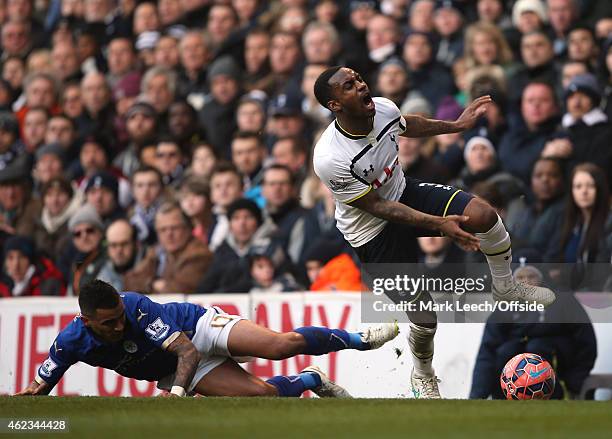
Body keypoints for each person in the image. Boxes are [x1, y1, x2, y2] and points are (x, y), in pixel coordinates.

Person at [312, 66, 556, 399]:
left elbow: (406, 123)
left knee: (483, 215)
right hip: (371, 230)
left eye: (358, 79)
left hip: (402, 192)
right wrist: (439, 223)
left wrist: (456, 126)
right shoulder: (330, 158)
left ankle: (505, 286)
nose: (361, 85)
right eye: (348, 86)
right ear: (334, 105)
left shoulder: (382, 107)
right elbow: (376, 207)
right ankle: (423, 374)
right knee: (425, 314)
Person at [15, 279, 398, 397]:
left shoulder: (135, 307)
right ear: (85, 321)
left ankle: (358, 338)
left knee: (281, 345)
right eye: (109, 324)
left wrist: (177, 397)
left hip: (197, 330)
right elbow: (38, 388)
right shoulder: (69, 342)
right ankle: (312, 380)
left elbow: (185, 349)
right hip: (174, 369)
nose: (119, 327)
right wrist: (17, 406)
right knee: (263, 397)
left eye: (119, 317)